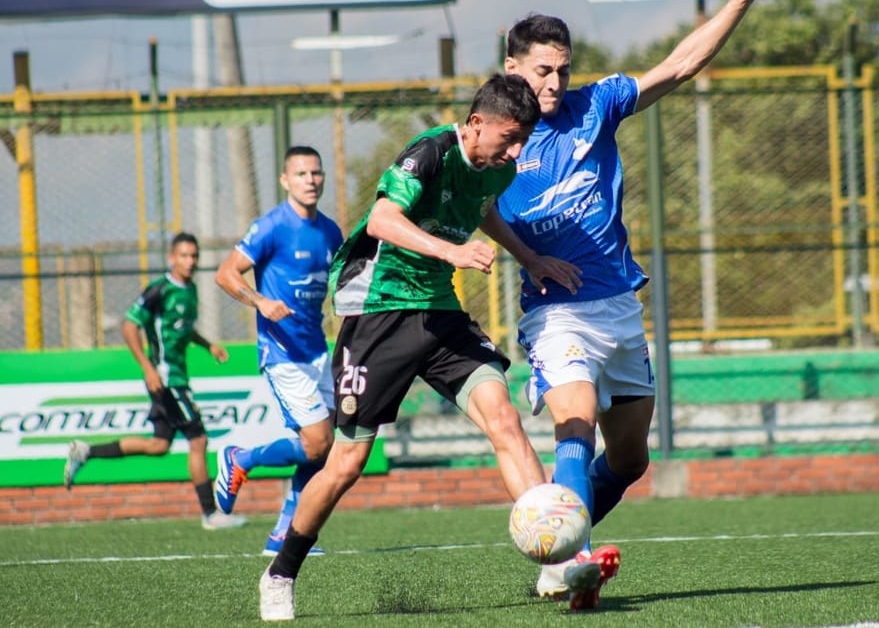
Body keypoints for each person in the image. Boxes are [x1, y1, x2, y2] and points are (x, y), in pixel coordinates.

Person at [486, 0, 778, 610]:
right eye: (542, 70)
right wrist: (527, 257)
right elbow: (470, 204)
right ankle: (570, 560)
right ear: (512, 66)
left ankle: (557, 539)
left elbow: (681, 65)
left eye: (563, 69)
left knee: (628, 460)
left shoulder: (596, 105)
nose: (555, 82)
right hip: (556, 312)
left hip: (618, 306)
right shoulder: (498, 132)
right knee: (575, 424)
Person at [257, 73, 579, 622]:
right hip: (378, 310)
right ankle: (281, 573)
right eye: (509, 137)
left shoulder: (500, 167)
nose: (517, 151)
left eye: (524, 139)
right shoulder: (430, 152)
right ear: (476, 123)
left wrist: (528, 257)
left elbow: (481, 207)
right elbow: (383, 219)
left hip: (439, 310)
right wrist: (450, 253)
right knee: (346, 462)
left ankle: (553, 562)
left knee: (503, 418)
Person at [63, 232, 247, 531]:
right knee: (198, 439)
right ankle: (210, 514)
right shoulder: (159, 290)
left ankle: (86, 451)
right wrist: (148, 368)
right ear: (172, 258)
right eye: (184, 255)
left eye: (194, 256)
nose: (190, 261)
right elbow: (129, 326)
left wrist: (208, 346)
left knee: (159, 445)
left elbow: (181, 328)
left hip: (175, 377)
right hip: (166, 378)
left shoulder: (190, 289)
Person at [213, 145, 344, 556]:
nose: (310, 180)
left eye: (316, 173)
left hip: (316, 350)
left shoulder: (331, 232)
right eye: (301, 174)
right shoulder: (271, 226)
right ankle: (241, 458)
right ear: (285, 180)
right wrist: (261, 302)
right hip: (281, 351)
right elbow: (225, 274)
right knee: (318, 442)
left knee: (322, 448)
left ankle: (283, 534)